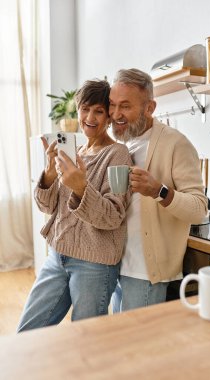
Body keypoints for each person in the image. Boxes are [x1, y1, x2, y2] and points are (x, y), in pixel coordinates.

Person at [17, 79, 132, 332]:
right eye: (85, 109)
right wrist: (48, 174)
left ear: (109, 117)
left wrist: (81, 187)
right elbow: (48, 208)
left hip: (94, 265)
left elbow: (113, 215)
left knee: (86, 341)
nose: (90, 117)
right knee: (25, 333)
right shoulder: (75, 151)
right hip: (57, 256)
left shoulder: (118, 154)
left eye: (99, 111)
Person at [109, 68, 207, 312]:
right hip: (114, 264)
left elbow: (199, 209)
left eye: (125, 106)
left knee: (140, 346)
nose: (115, 115)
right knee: (120, 342)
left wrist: (159, 191)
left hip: (145, 272)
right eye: (112, 105)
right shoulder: (120, 144)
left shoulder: (176, 144)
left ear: (150, 108)